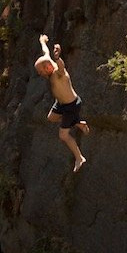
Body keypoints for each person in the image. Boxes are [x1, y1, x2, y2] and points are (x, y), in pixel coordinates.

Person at [34, 33, 90, 172]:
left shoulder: (59, 74)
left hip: (71, 106)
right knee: (51, 118)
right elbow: (45, 52)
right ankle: (78, 123)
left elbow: (61, 67)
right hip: (61, 104)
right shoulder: (47, 62)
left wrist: (58, 57)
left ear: (47, 68)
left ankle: (79, 157)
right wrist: (43, 42)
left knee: (63, 135)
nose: (40, 74)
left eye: (40, 72)